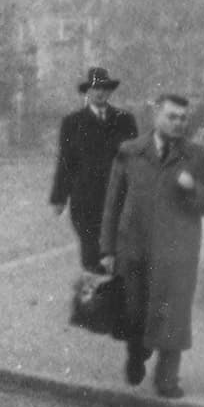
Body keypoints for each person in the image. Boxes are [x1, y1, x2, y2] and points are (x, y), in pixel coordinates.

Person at [102, 93, 204, 399]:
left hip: (177, 253)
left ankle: (167, 378)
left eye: (183, 118)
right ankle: (137, 352)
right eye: (172, 116)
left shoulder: (198, 157)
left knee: (174, 315)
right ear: (156, 115)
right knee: (134, 311)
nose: (178, 123)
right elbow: (113, 202)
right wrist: (107, 249)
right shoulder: (130, 152)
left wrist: (193, 188)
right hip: (135, 247)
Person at [49, 67, 138, 273]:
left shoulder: (124, 120)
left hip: (117, 197)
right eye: (96, 88)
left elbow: (134, 159)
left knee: (117, 253)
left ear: (110, 91)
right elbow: (66, 161)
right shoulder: (72, 123)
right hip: (85, 200)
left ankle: (113, 290)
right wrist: (59, 198)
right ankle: (94, 288)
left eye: (105, 88)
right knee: (91, 254)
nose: (100, 93)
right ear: (88, 91)